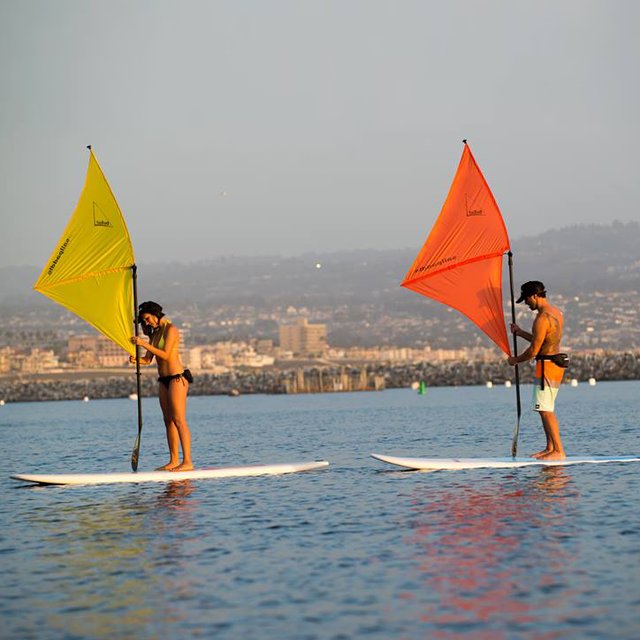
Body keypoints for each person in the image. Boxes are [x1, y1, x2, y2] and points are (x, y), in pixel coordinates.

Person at [130, 301, 194, 471]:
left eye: (148, 318)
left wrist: (143, 343)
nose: (146, 323)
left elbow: (165, 355)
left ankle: (187, 461)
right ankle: (174, 460)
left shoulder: (171, 330)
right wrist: (137, 359)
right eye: (144, 321)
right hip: (163, 380)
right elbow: (148, 359)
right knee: (168, 421)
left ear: (156, 314)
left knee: (179, 420)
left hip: (176, 379)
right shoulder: (154, 334)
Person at [507, 281, 567, 460]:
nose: (526, 304)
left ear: (534, 295)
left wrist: (515, 360)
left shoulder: (541, 319)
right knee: (544, 407)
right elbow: (541, 340)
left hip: (546, 367)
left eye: (526, 299)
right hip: (555, 364)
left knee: (545, 409)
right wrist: (520, 332)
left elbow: (534, 350)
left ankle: (558, 450)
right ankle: (550, 447)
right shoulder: (556, 313)